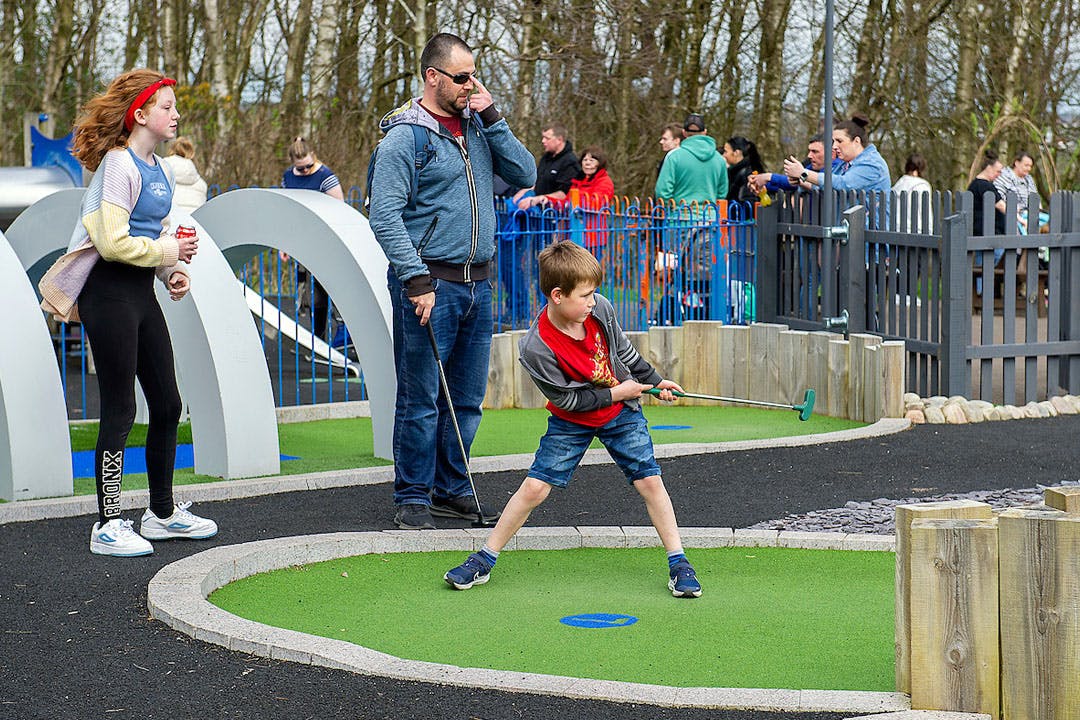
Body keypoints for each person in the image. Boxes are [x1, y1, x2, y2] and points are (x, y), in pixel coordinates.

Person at [443, 241, 702, 598]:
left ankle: (679, 562)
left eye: (594, 294)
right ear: (557, 295)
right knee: (535, 488)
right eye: (585, 296)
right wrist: (622, 392)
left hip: (620, 415)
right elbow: (568, 399)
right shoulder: (536, 348)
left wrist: (655, 382)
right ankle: (485, 558)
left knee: (649, 482)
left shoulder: (599, 311)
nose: (593, 302)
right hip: (573, 419)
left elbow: (624, 351)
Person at [37, 69, 215, 557]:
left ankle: (160, 514)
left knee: (168, 401)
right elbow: (112, 242)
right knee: (120, 408)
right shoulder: (118, 164)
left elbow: (148, 237)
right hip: (107, 294)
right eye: (167, 107)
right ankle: (108, 523)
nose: (176, 114)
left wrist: (170, 271)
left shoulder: (158, 168)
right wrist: (167, 253)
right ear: (140, 114)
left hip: (138, 292)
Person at [368, 33, 536, 530]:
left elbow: (525, 172)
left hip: (477, 284)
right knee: (421, 397)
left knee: (464, 399)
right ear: (432, 77)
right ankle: (414, 495)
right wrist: (415, 279)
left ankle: (452, 488)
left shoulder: (478, 128)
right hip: (430, 285)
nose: (470, 85)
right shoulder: (406, 136)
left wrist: (493, 117)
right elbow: (384, 215)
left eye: (474, 76)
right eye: (461, 78)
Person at [281, 136, 344, 345]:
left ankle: (337, 336)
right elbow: (287, 211)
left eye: (308, 166)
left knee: (328, 289)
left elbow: (339, 211)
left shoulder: (327, 177)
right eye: (301, 168)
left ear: (313, 156)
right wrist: (285, 243)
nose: (305, 171)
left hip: (325, 241)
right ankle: (318, 340)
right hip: (302, 241)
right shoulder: (288, 177)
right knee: (309, 293)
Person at [782, 115, 891, 195]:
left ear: (856, 141)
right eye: (834, 141)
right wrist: (800, 180)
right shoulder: (845, 164)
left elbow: (843, 184)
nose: (834, 146)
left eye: (839, 141)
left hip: (866, 227)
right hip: (849, 225)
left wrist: (804, 173)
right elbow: (824, 186)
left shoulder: (873, 164)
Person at [654, 113, 727, 204]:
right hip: (709, 215)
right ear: (705, 132)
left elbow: (663, 192)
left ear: (684, 133)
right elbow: (722, 193)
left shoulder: (674, 157)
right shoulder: (719, 159)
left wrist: (670, 209)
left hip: (680, 215)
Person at [513, 122, 581, 210]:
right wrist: (523, 192)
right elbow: (538, 180)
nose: (543, 141)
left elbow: (564, 193)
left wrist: (537, 199)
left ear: (559, 140)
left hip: (555, 213)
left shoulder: (570, 162)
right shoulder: (546, 158)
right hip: (536, 209)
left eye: (547, 138)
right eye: (543, 137)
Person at [570, 145, 615, 252]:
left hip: (593, 236)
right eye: (585, 160)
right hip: (575, 234)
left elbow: (595, 205)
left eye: (592, 160)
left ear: (600, 163)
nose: (587, 163)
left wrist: (576, 202)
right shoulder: (577, 181)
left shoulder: (605, 181)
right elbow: (566, 202)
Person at [993, 151, 1040, 231]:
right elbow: (999, 199)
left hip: (1031, 216)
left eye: (1030, 166)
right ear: (1017, 163)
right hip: (1010, 217)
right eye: (1026, 165)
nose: (1029, 169)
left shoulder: (1029, 179)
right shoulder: (1003, 176)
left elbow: (1036, 199)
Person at [161, 136, 208, 213]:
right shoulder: (202, 185)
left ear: (171, 151)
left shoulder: (160, 173)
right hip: (194, 223)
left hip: (170, 222)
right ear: (191, 153)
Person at [891, 153, 933, 232]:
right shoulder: (922, 186)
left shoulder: (897, 186)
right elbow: (926, 214)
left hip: (895, 232)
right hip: (917, 233)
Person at [722, 136, 764, 204]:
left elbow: (748, 203)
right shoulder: (740, 170)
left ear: (736, 152)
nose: (724, 155)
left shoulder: (746, 173)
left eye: (726, 151)